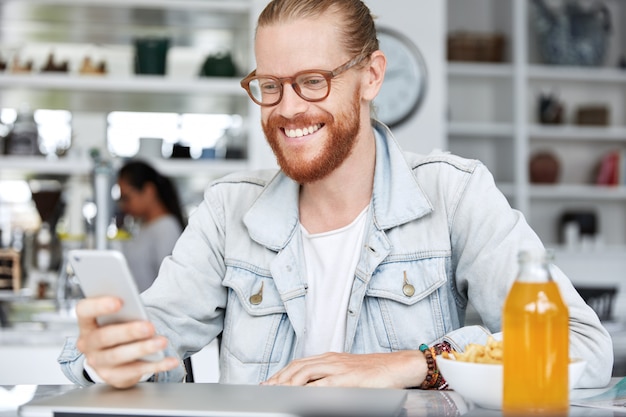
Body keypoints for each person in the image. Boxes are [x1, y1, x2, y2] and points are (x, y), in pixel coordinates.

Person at [59, 0, 613, 390]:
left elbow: (581, 349)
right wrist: (111, 359)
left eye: (313, 81)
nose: (287, 109)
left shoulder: (455, 194)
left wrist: (414, 364)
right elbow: (154, 348)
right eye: (270, 86)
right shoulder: (228, 211)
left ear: (370, 77)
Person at [116, 160, 185, 292]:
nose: (123, 205)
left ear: (149, 191)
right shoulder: (144, 225)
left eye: (126, 197)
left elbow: (170, 286)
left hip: (152, 311)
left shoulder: (166, 228)